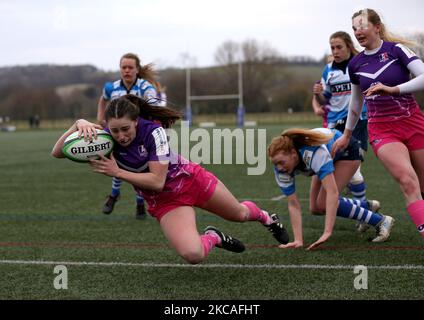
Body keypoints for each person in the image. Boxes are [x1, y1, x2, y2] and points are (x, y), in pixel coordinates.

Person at [51, 94, 289, 264]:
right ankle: (214, 237)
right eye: (115, 131)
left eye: (126, 129)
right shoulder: (105, 137)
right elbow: (58, 152)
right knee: (193, 255)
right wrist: (76, 124)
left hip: (189, 180)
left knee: (240, 214)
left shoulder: (154, 132)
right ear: (107, 128)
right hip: (165, 201)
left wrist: (117, 172)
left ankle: (268, 218)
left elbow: (157, 180)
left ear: (136, 121)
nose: (121, 136)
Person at [332, 8, 424, 238]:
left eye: (362, 26)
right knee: (407, 180)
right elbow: (355, 102)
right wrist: (346, 134)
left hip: (413, 122)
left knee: (422, 183)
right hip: (382, 129)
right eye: (354, 28)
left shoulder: (396, 50)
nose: (358, 32)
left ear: (376, 27)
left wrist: (393, 90)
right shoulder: (356, 64)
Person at [268, 127, 394, 250]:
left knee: (323, 203)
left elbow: (332, 193)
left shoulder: (313, 153)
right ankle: (365, 205)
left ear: (293, 154)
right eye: (275, 164)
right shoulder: (281, 171)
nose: (279, 168)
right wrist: (298, 240)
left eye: (281, 162)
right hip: (327, 157)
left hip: (347, 152)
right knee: (315, 208)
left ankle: (381, 221)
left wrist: (327, 232)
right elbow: (293, 204)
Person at [97, 53, 164, 219]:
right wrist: (101, 119)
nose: (126, 70)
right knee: (117, 165)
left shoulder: (145, 87)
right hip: (117, 134)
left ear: (137, 69)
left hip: (137, 135)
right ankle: (114, 195)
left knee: (139, 167)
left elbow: (154, 104)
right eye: (123, 67)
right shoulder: (111, 87)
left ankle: (139, 201)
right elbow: (102, 100)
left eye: (130, 67)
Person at [313, 32, 369, 210]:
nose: (335, 51)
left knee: (354, 170)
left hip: (357, 122)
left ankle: (364, 211)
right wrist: (318, 94)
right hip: (333, 124)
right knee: (334, 166)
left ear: (348, 46)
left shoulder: (360, 63)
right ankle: (365, 207)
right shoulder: (328, 70)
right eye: (332, 48)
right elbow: (325, 100)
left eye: (339, 47)